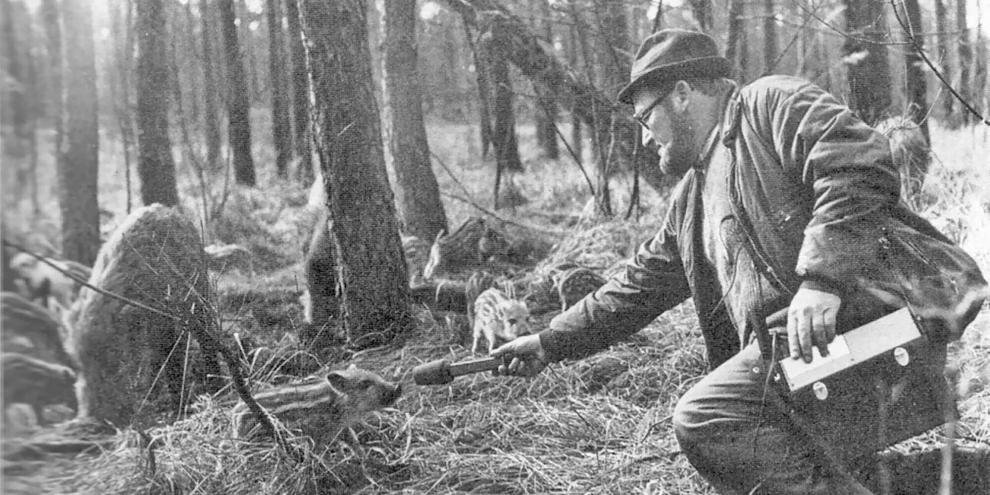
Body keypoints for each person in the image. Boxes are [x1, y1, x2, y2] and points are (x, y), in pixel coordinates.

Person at [492, 29, 988, 494]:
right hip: (806, 351)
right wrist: (551, 340)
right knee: (814, 466)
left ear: (683, 94)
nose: (645, 137)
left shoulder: (770, 103)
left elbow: (856, 161)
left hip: (876, 317)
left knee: (709, 415)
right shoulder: (689, 203)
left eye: (646, 119)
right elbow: (637, 285)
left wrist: (822, 280)